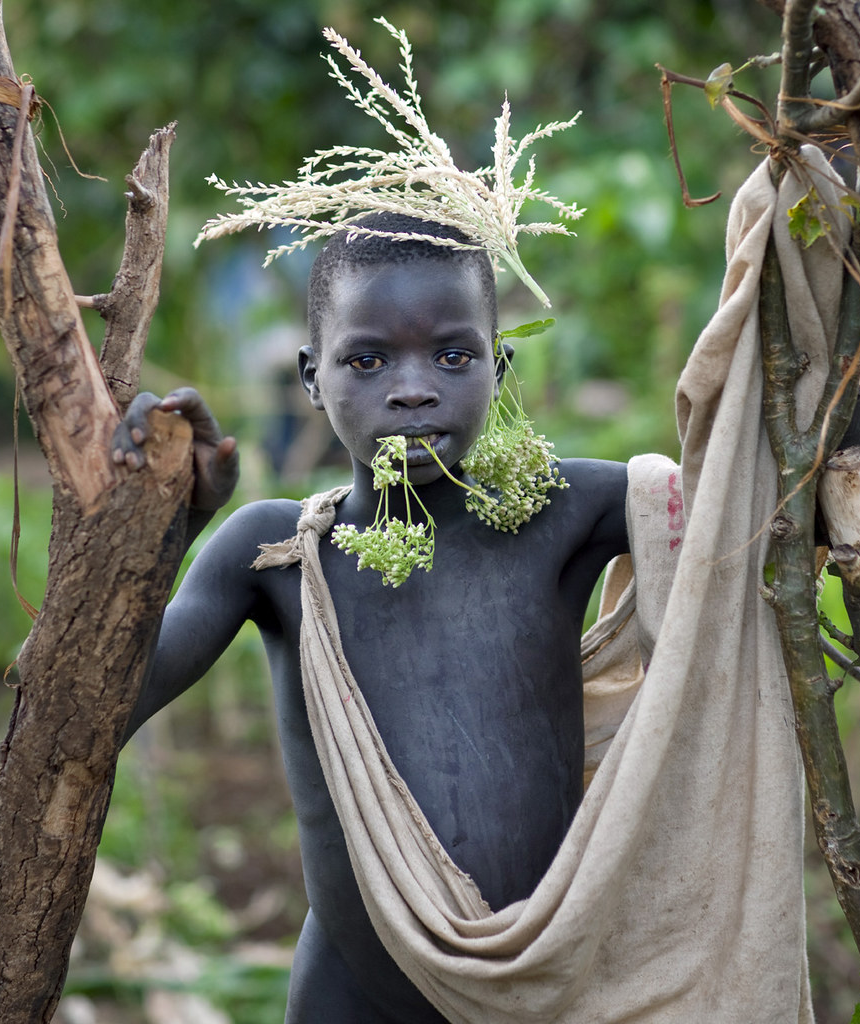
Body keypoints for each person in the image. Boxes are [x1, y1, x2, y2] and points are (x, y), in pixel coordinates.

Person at [113, 213, 631, 1023]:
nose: (414, 386)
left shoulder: (568, 512)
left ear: (499, 367)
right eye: (368, 358)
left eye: (453, 356)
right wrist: (168, 525)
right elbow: (96, 711)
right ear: (313, 376)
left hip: (545, 984)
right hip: (353, 996)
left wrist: (811, 279)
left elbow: (784, 517)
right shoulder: (278, 554)